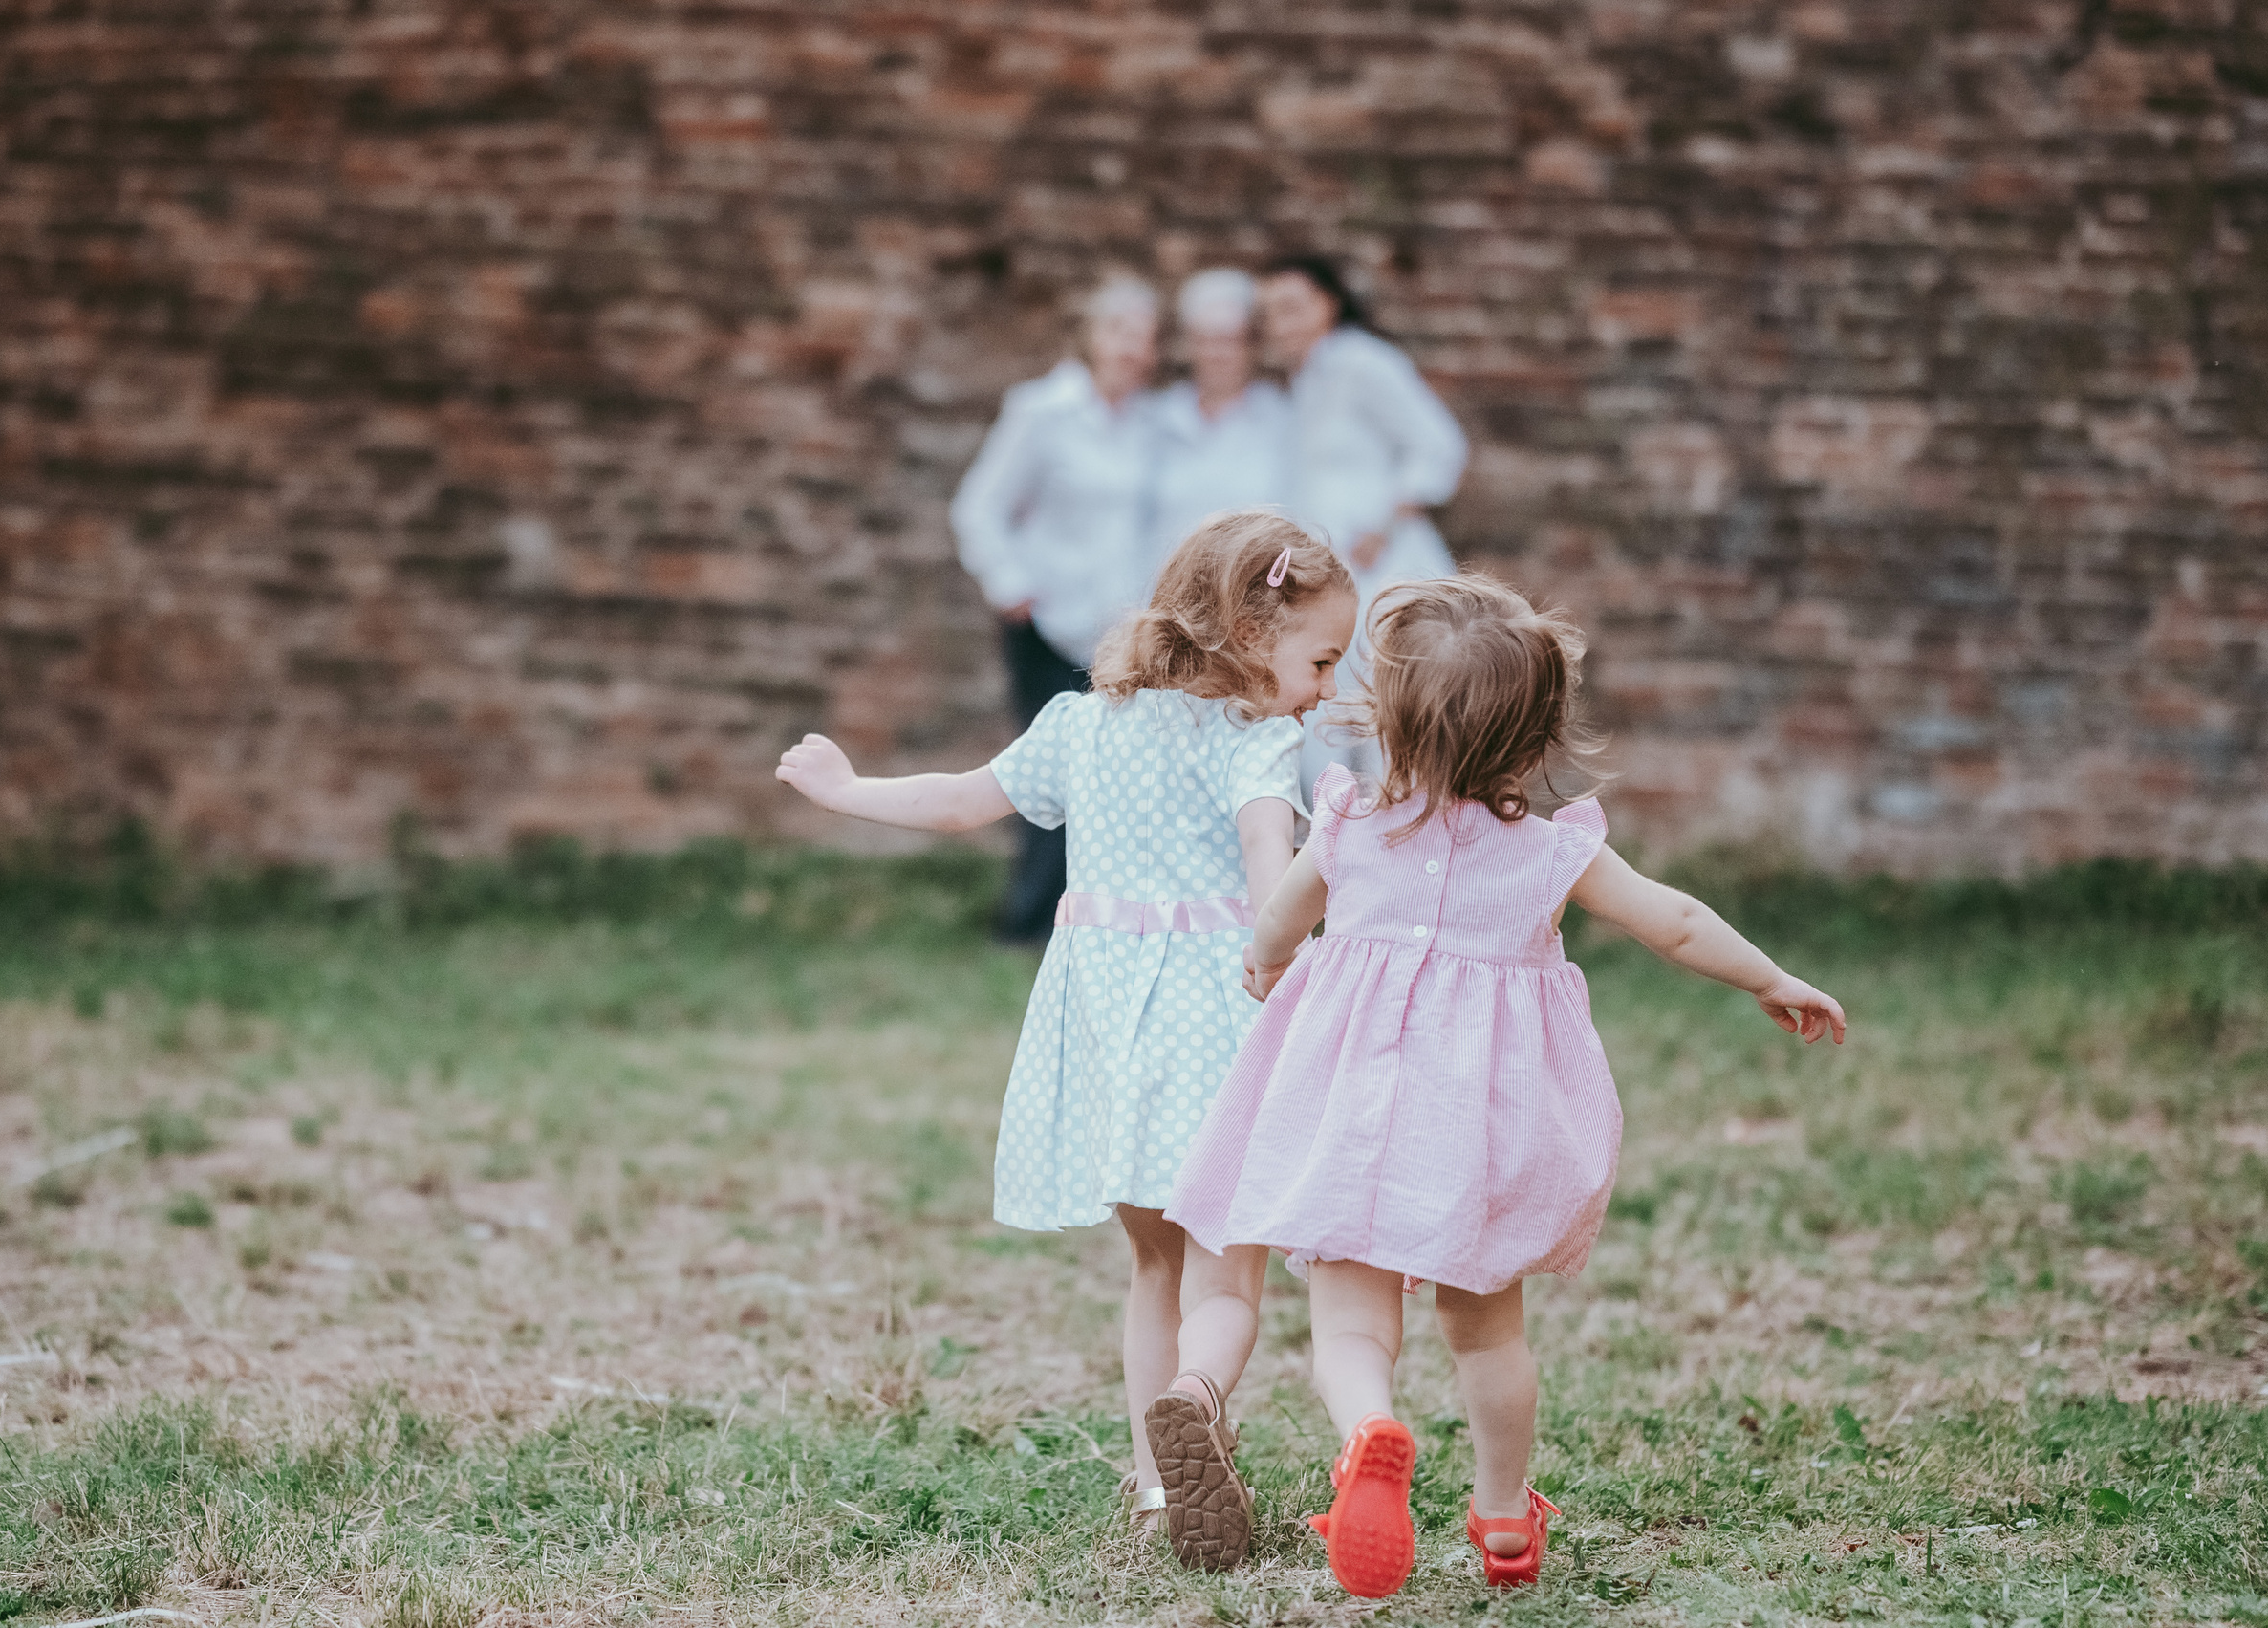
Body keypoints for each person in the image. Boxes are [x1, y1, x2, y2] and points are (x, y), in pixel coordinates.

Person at [1163, 575, 1848, 1599]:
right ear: (1537, 728)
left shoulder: (1351, 824)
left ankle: (1369, 1433)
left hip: (1350, 1114)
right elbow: (1674, 919)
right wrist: (1768, 974)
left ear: (1388, 714)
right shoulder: (1553, 853)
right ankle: (1500, 1514)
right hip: (1476, 1129)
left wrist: (1265, 965)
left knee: (1350, 1320)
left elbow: (1276, 924)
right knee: (1487, 1326)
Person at [775, 512, 1361, 1569]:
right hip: (1221, 1025)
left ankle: (1153, 1484)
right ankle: (1199, 1397)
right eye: (1320, 658)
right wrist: (1318, 927)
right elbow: (1269, 854)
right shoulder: (1257, 739)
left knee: (1151, 1263)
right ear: (1244, 630)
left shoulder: (1080, 723)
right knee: (1228, 1281)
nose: (1324, 687)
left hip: (1109, 1034)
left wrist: (844, 787)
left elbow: (962, 804)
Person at [950, 273, 1167, 944]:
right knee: (1050, 770)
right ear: (1092, 335)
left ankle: (1082, 916)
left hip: (1116, 633)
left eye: (1147, 338)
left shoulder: (1148, 425)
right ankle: (1026, 919)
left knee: (1107, 774)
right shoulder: (1043, 409)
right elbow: (978, 507)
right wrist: (1008, 583)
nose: (1134, 349)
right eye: (1121, 332)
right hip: (1047, 624)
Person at [1258, 254, 1471, 791]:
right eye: (1271, 314)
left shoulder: (1362, 361)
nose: (1281, 325)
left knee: (1390, 714)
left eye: (1292, 308)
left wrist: (1385, 524)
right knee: (1332, 709)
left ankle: (1403, 854)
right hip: (1332, 576)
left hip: (1384, 566)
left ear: (1329, 303)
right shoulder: (1303, 381)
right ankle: (1341, 854)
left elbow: (1439, 445)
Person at [1150, 269, 1294, 561]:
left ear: (1252, 345)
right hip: (1165, 595)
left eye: (1230, 339)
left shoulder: (1281, 418)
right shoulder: (1157, 417)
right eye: (1205, 339)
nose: (1217, 353)